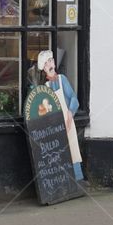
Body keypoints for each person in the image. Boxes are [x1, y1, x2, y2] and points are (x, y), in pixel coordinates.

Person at [34, 49, 83, 181]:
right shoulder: (45, 87)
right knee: (59, 150)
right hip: (55, 124)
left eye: (51, 61)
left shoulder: (62, 79)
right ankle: (62, 179)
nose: (49, 64)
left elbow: (73, 98)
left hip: (67, 120)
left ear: (54, 63)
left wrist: (70, 112)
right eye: (46, 63)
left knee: (72, 148)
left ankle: (77, 178)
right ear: (44, 68)